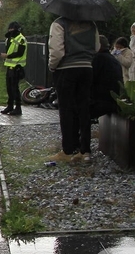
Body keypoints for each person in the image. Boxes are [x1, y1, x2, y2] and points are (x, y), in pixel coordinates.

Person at [47, 15, 99, 163]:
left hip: (66, 68)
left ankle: (68, 150)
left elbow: (57, 51)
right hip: (86, 68)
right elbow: (96, 47)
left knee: (66, 110)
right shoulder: (91, 23)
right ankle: (85, 150)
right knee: (83, 109)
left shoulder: (59, 23)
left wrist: (52, 66)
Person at [0, 21, 27, 116]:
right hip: (9, 67)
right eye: (9, 29)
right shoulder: (9, 39)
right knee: (9, 88)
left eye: (12, 29)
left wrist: (7, 56)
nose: (10, 31)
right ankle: (10, 106)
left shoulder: (21, 39)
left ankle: (18, 108)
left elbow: (20, 53)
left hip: (17, 67)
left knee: (15, 88)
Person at [91, 34, 123, 120]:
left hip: (102, 102)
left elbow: (90, 79)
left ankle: (83, 132)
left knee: (78, 108)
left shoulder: (98, 59)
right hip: (114, 101)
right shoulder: (114, 60)